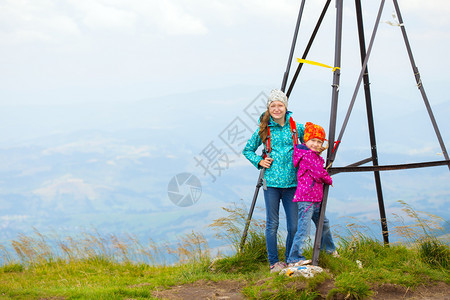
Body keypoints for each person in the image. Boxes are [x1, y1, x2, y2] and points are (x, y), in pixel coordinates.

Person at [243, 89, 305, 273]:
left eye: (280, 105)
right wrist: (259, 161)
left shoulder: (296, 128)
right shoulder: (264, 129)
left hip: (293, 184)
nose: (277, 109)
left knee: (294, 225)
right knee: (273, 224)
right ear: (268, 108)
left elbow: (312, 141)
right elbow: (247, 150)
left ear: (286, 107)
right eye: (273, 105)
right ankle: (274, 263)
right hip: (271, 184)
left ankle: (290, 259)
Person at [286, 122, 338, 266]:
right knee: (304, 228)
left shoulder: (311, 155)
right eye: (313, 140)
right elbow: (319, 173)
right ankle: (294, 257)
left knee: (324, 223)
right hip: (307, 199)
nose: (315, 144)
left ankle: (328, 249)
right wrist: (329, 179)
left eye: (319, 141)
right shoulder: (308, 156)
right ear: (306, 140)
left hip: (315, 199)